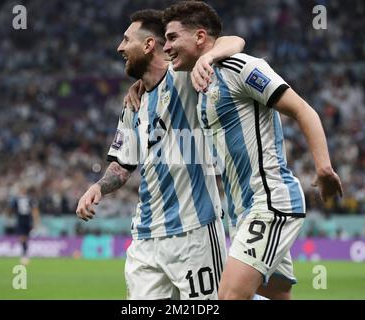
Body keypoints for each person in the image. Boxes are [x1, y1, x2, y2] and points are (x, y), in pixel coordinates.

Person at [161, 1, 343, 299]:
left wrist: (323, 167)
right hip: (242, 212)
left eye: (172, 37)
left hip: (269, 202)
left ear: (200, 37)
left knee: (229, 297)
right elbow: (157, 69)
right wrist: (138, 87)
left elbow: (303, 110)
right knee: (276, 296)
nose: (167, 47)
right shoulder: (201, 82)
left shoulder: (241, 67)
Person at [76, 9, 249, 300]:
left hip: (195, 232)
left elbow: (234, 41)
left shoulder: (183, 75)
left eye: (126, 39)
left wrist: (206, 58)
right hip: (145, 238)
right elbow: (123, 165)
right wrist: (98, 187)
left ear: (148, 45)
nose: (119, 47)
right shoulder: (133, 103)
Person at [11, 186, 41, 265]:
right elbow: (35, 210)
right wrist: (36, 221)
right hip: (27, 221)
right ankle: (25, 254)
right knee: (24, 238)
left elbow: (11, 209)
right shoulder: (30, 199)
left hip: (22, 221)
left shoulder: (17, 199)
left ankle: (24, 254)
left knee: (23, 238)